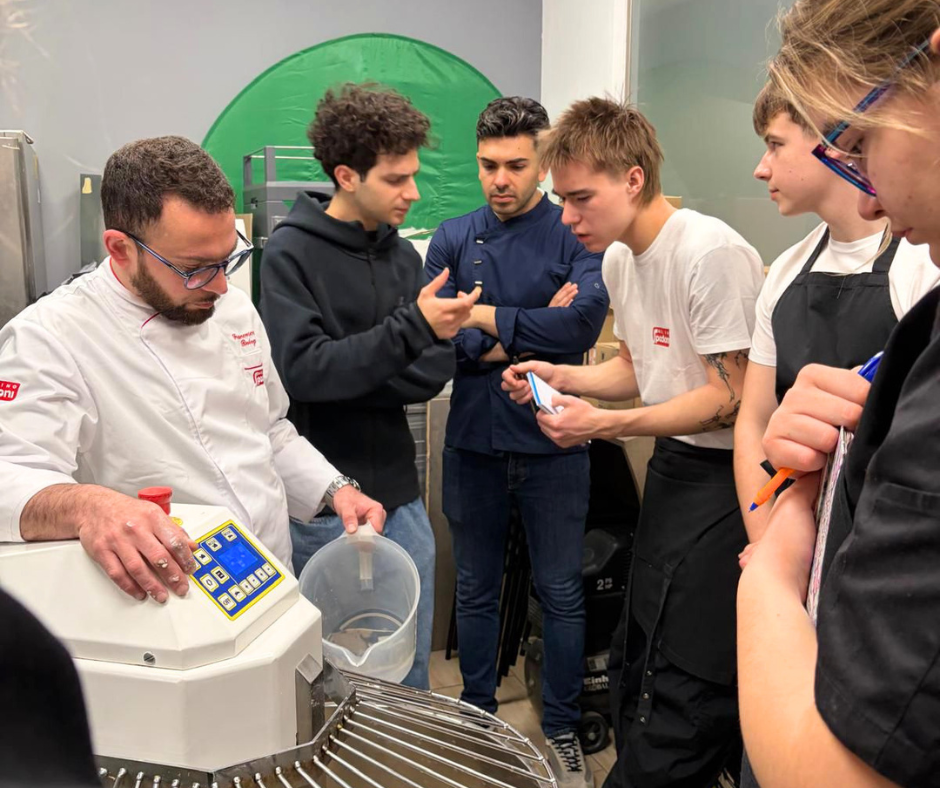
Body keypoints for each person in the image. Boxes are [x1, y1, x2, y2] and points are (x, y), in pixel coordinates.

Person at [503, 98, 764, 787]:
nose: (567, 217)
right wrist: (563, 377)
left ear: (633, 179)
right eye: (561, 199)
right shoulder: (620, 258)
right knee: (639, 645)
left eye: (581, 198)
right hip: (674, 470)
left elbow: (731, 397)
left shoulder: (708, 253)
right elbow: (639, 368)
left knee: (689, 670)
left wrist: (602, 424)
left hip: (729, 482)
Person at [0, 136, 384, 604]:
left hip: (272, 571)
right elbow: (11, 474)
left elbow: (267, 429)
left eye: (228, 258)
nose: (221, 285)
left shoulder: (233, 308)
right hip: (172, 595)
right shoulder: (51, 336)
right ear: (120, 248)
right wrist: (88, 505)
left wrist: (335, 489)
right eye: (195, 268)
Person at [737, 2, 940, 785]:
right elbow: (755, 415)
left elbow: (823, 772)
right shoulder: (787, 271)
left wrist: (772, 558)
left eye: (859, 144)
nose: (870, 199)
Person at [259, 83, 472, 690]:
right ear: (347, 176)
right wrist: (406, 335)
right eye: (396, 179)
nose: (413, 192)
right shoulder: (290, 255)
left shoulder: (404, 259)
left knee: (409, 674)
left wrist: (355, 365)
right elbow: (303, 373)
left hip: (402, 500)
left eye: (414, 175)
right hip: (324, 509)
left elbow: (435, 367)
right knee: (329, 681)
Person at [424, 96, 608, 788]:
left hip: (556, 441)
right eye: (488, 165)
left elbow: (581, 327)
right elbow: (440, 343)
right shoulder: (451, 238)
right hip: (473, 442)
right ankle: (476, 714)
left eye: (516, 166)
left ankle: (560, 728)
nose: (499, 180)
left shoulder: (574, 232)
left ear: (543, 165)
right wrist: (530, 329)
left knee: (560, 591)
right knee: (475, 588)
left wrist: (483, 325)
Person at [734, 82, 939, 543]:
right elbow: (754, 420)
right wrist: (767, 543)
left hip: (893, 533)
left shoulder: (922, 263)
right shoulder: (784, 272)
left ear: (832, 140)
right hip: (798, 528)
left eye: (775, 144)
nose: (761, 169)